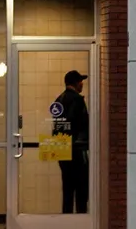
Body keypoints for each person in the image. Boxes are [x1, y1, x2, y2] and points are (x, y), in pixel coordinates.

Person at [53, 70, 89, 214]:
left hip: (61, 148)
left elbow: (58, 126)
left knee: (67, 189)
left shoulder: (59, 100)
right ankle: (81, 220)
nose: (82, 84)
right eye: (80, 81)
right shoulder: (77, 100)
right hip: (76, 149)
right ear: (75, 82)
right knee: (81, 188)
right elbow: (79, 123)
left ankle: (66, 219)